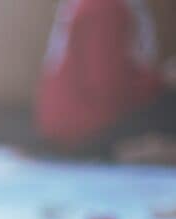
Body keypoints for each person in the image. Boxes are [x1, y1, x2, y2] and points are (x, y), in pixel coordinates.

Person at [36, 0, 176, 162]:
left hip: (71, 123)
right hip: (85, 127)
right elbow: (107, 88)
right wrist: (161, 79)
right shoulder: (105, 6)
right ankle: (135, 149)